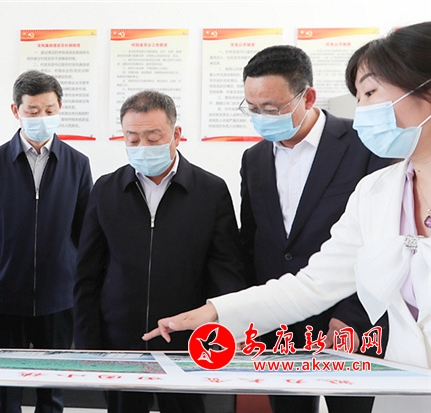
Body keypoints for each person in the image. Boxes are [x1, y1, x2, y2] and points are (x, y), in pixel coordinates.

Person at [143, 21, 431, 411]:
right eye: (358, 96)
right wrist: (218, 312)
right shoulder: (377, 192)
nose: (362, 110)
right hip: (404, 390)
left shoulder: (359, 156)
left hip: (360, 340)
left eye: (369, 93)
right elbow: (313, 283)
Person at [236, 45, 391, 413]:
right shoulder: (254, 158)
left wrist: (353, 316)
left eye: (271, 109)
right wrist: (245, 317)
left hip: (348, 321)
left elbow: (381, 242)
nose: (261, 118)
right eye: (252, 109)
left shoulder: (363, 144)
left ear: (307, 97)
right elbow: (252, 242)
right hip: (279, 322)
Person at [74, 90, 246, 413]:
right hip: (121, 342)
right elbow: (87, 274)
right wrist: (87, 343)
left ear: (176, 135)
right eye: (133, 138)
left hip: (188, 341)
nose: (143, 147)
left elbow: (226, 269)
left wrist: (227, 328)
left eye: (153, 138)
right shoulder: (107, 190)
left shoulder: (210, 191)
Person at [0, 70, 93, 413]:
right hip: (5, 296)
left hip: (59, 297)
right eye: (32, 110)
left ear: (60, 108)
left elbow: (83, 232)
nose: (41, 117)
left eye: (49, 110)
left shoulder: (77, 164)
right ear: (16, 111)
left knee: (52, 388)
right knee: (5, 389)